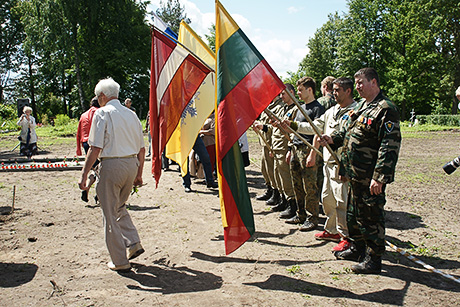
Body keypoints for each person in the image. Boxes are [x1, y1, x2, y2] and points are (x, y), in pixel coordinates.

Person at [320, 68, 401, 274]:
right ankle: (357, 248)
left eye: (361, 82)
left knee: (371, 216)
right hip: (353, 171)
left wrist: (380, 177)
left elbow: (389, 145)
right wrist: (332, 139)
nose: (357, 87)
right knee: (353, 214)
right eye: (355, 83)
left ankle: (374, 259)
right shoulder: (362, 106)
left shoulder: (385, 108)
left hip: (369, 175)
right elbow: (347, 131)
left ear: (374, 82)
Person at [78, 78, 145, 272]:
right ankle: (133, 242)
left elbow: (95, 147)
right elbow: (142, 149)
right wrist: (139, 174)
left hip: (112, 165)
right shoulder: (132, 115)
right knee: (119, 206)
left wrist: (84, 175)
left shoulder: (102, 113)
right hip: (131, 164)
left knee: (109, 213)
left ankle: (119, 261)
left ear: (102, 96)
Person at [284, 77, 356, 252]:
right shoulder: (331, 111)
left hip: (342, 163)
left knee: (342, 201)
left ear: (348, 91)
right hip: (328, 162)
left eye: (337, 90)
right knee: (327, 199)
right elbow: (314, 127)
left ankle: (346, 236)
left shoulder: (357, 111)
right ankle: (331, 230)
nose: (333, 93)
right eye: (333, 89)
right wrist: (292, 125)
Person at [285, 77, 325, 231]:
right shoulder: (301, 108)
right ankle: (300, 214)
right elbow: (295, 130)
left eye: (301, 90)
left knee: (310, 187)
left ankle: (312, 217)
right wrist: (290, 149)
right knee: (297, 185)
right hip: (296, 149)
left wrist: (313, 154)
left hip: (308, 150)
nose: (298, 93)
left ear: (310, 90)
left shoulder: (317, 108)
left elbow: (317, 132)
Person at [266, 84, 297, 216]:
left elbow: (294, 131)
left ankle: (293, 205)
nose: (281, 97)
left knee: (286, 178)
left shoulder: (296, 109)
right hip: (277, 146)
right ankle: (284, 200)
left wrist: (290, 148)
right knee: (278, 177)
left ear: (291, 93)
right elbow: (274, 128)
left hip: (285, 147)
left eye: (283, 94)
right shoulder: (284, 108)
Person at [253, 97, 283, 203]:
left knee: (272, 170)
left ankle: (276, 193)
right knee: (265, 169)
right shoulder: (269, 106)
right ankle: (270, 189)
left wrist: (263, 126)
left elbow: (276, 126)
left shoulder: (280, 107)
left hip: (272, 143)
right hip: (265, 142)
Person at [76, 97, 100, 203]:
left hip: (85, 143)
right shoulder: (98, 112)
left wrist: (78, 148)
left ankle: (88, 190)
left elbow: (78, 132)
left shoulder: (83, 114)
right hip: (95, 143)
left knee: (95, 168)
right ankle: (98, 194)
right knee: (101, 169)